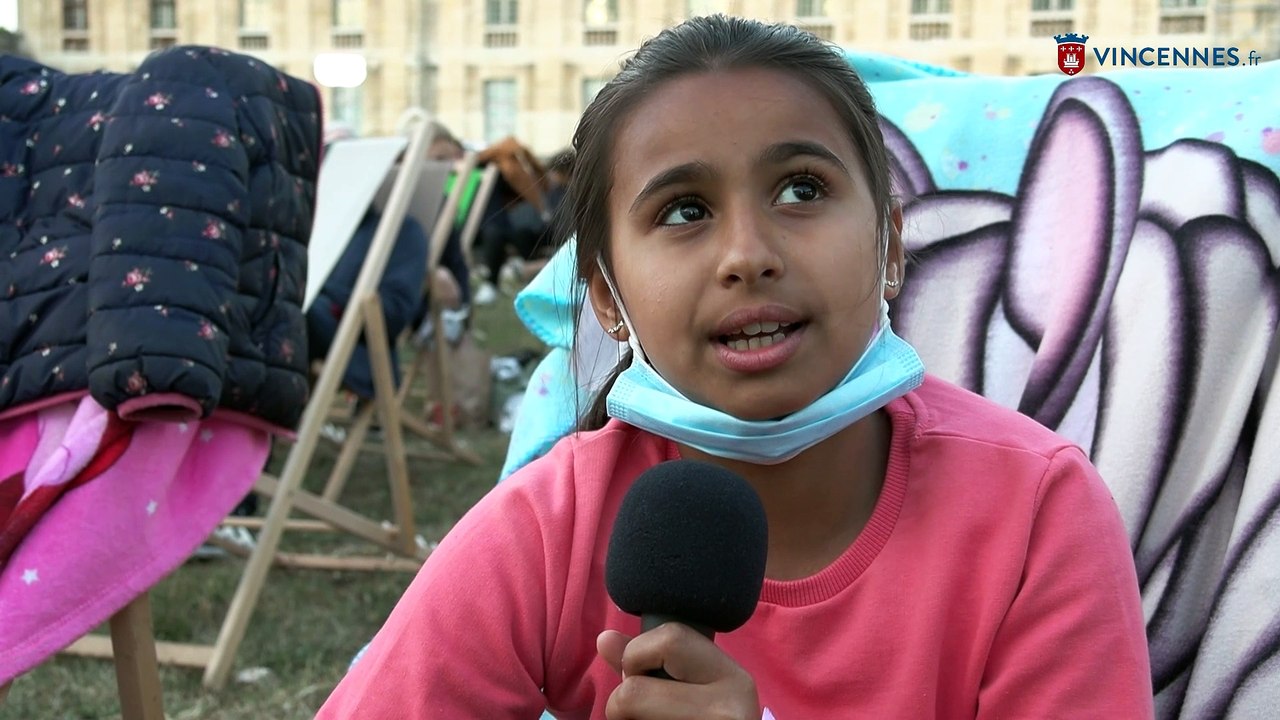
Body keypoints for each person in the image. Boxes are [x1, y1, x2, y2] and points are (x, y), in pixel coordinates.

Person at [317, 15, 1153, 719]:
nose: (747, 256)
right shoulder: (551, 526)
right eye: (684, 211)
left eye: (800, 190)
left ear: (890, 242)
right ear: (606, 298)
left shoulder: (1038, 512)